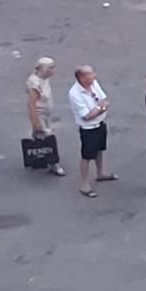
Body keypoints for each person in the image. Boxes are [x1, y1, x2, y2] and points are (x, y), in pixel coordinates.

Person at [68, 65, 117, 197]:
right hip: (88, 128)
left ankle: (100, 173)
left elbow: (104, 100)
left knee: (100, 149)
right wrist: (101, 108)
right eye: (90, 74)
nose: (94, 76)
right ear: (82, 78)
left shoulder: (94, 84)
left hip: (100, 123)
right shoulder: (75, 94)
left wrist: (99, 108)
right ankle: (84, 184)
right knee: (87, 156)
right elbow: (87, 116)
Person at [26, 57, 64, 176]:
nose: (53, 71)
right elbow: (31, 104)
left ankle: (38, 159)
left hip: (46, 114)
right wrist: (36, 123)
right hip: (40, 115)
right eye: (50, 68)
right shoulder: (35, 83)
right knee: (48, 137)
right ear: (43, 69)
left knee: (39, 138)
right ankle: (54, 164)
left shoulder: (44, 79)